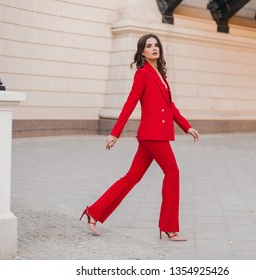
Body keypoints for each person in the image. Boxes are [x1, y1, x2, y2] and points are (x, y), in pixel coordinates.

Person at [79, 33, 199, 241]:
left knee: (131, 177)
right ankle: (169, 228)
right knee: (173, 173)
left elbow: (170, 107)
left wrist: (186, 126)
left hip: (153, 135)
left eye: (156, 45)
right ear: (142, 52)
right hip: (153, 135)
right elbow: (130, 103)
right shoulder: (143, 73)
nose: (154, 48)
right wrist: (115, 133)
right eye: (149, 46)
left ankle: (93, 213)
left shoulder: (160, 74)